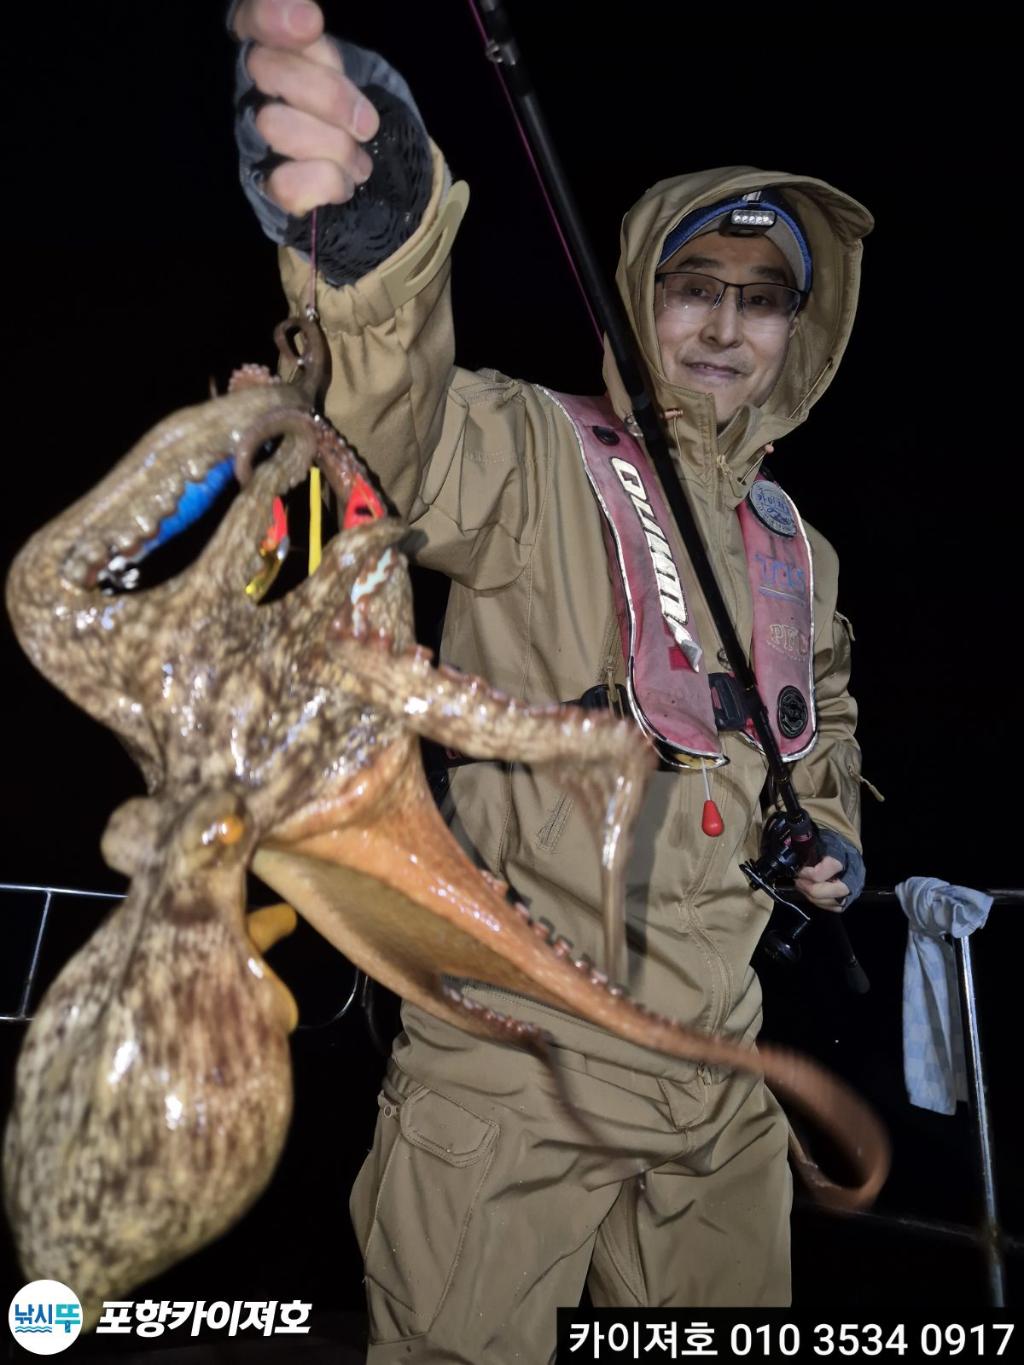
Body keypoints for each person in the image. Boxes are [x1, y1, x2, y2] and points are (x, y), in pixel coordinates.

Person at [230, 2, 872, 1358]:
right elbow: (389, 432)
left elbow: (825, 742)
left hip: (721, 1081)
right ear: (641, 297)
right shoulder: (533, 451)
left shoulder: (795, 549)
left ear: (797, 336)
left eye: (761, 302)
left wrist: (841, 854)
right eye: (696, 286)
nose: (724, 326)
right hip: (515, 1056)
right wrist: (373, 250)